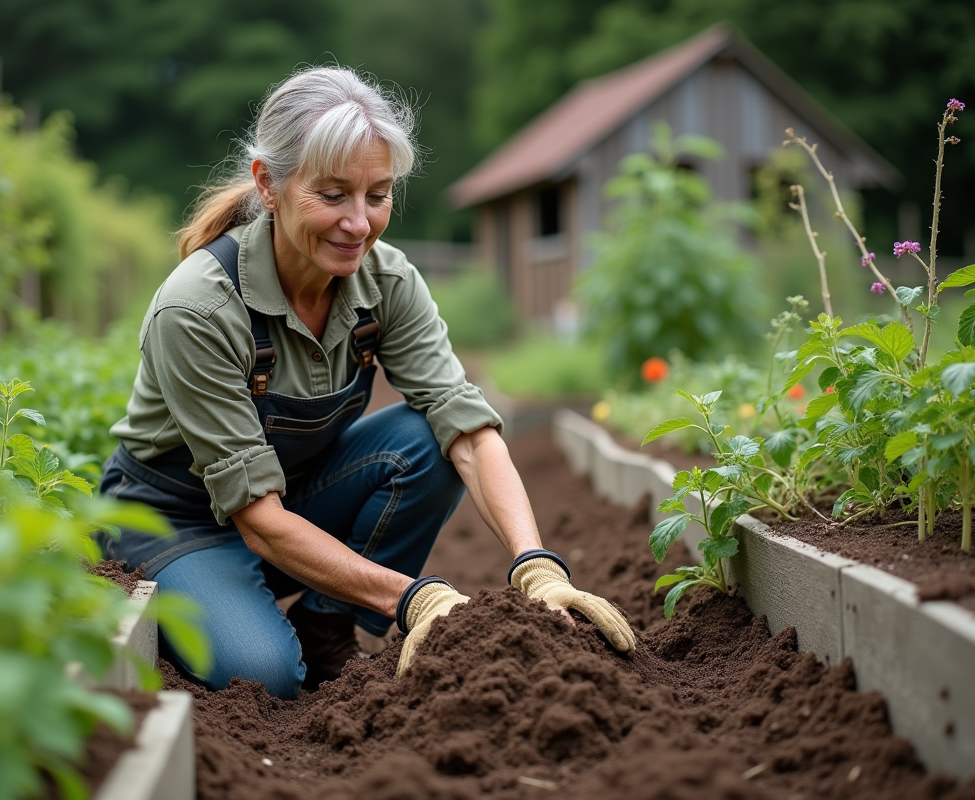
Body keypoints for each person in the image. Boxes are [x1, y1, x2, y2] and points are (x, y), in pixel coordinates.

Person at [98, 66, 635, 700]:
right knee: (265, 677)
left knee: (426, 439)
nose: (359, 223)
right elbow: (258, 519)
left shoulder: (386, 282)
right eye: (333, 195)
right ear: (268, 184)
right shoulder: (200, 309)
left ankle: (326, 628)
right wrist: (414, 599)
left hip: (288, 501)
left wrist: (536, 566)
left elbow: (467, 428)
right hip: (180, 520)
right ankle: (227, 605)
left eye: (377, 195)